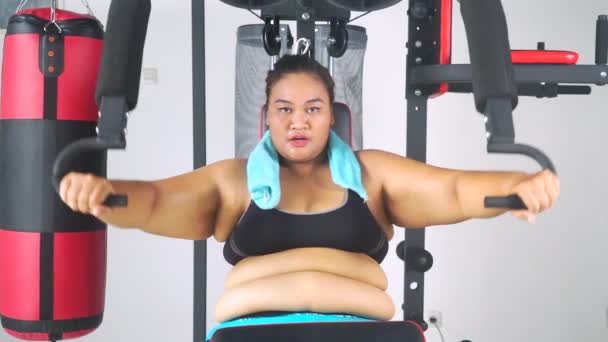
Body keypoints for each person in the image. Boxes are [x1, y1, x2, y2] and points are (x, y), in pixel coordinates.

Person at [59, 55, 560, 329]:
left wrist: (517, 187)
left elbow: (452, 190)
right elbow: (154, 202)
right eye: (284, 108)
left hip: (359, 330)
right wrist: (104, 196)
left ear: (334, 114)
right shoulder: (233, 181)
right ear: (267, 116)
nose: (298, 120)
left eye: (313, 108)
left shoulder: (372, 174)